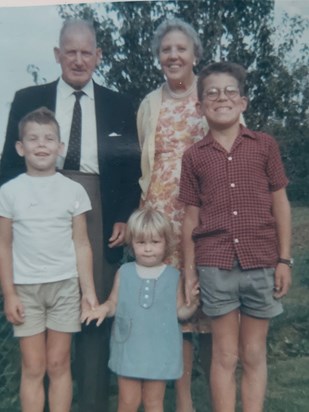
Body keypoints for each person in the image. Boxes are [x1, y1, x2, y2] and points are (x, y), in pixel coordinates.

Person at [0, 19, 141, 412]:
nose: (78, 60)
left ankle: (92, 403)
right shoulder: (28, 98)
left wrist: (123, 215)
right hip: (37, 207)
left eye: (86, 52)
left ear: (98, 56)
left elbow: (131, 172)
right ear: (57, 54)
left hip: (95, 213)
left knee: (91, 309)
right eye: (71, 52)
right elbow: (9, 168)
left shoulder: (119, 104)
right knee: (36, 317)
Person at [179, 61, 292, 412]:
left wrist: (284, 259)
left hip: (261, 260)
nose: (221, 98)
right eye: (211, 93)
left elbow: (281, 204)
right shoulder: (193, 156)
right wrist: (189, 270)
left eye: (230, 92)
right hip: (216, 265)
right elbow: (190, 219)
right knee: (225, 355)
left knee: (254, 353)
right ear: (200, 106)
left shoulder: (264, 146)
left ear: (243, 102)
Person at [137, 18, 214, 412]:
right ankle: (184, 402)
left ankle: (220, 396)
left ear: (195, 54)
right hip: (163, 222)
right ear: (158, 57)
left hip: (208, 217)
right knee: (177, 315)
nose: (173, 55)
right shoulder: (150, 104)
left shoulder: (213, 93)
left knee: (214, 307)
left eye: (181, 48)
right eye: (166, 49)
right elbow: (146, 162)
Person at [0, 107, 97, 412]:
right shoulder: (9, 192)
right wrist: (10, 293)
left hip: (64, 287)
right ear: (20, 147)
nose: (41, 145)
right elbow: (3, 246)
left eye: (49, 138)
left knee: (58, 365)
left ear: (60, 147)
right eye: (33, 139)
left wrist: (89, 292)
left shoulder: (74, 190)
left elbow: (82, 244)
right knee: (33, 367)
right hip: (26, 290)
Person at [82, 207, 199, 412]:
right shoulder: (124, 272)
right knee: (128, 402)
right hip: (129, 348)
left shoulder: (173, 276)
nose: (147, 249)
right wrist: (102, 309)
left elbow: (179, 312)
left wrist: (193, 306)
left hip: (159, 351)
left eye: (155, 242)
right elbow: (113, 304)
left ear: (166, 243)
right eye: (141, 242)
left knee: (154, 403)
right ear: (132, 243)